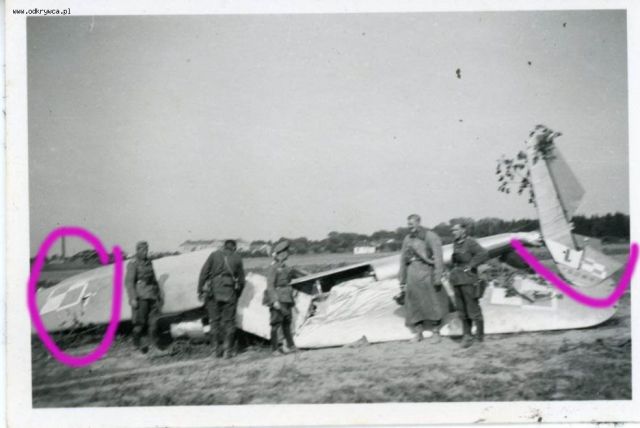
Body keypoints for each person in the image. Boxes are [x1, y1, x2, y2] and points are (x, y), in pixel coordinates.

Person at [399, 214, 448, 343]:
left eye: (411, 223)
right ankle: (418, 333)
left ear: (418, 222)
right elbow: (403, 259)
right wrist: (402, 280)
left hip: (427, 273)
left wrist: (438, 276)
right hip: (412, 275)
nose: (409, 226)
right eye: (408, 224)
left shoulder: (430, 236)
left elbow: (438, 258)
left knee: (433, 303)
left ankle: (436, 332)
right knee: (414, 304)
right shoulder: (407, 238)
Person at [197, 240, 245, 358]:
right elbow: (242, 280)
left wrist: (200, 290)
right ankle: (227, 351)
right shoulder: (237, 258)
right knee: (229, 322)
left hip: (213, 291)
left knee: (214, 321)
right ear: (234, 248)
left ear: (224, 247)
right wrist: (238, 294)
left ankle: (215, 351)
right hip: (230, 292)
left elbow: (203, 273)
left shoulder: (214, 255)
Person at [449, 222, 489, 348]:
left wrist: (471, 265)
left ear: (463, 231)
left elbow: (483, 253)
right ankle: (467, 335)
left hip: (468, 280)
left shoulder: (470, 242)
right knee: (462, 309)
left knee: (473, 308)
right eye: (452, 230)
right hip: (457, 279)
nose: (453, 232)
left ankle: (479, 336)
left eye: (456, 230)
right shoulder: (455, 243)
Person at [125, 241, 164, 354]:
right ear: (137, 251)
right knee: (140, 323)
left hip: (152, 295)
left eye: (146, 250)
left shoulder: (149, 262)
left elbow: (154, 280)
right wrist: (132, 298)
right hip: (141, 296)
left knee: (153, 323)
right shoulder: (133, 264)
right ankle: (137, 346)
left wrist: (158, 295)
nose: (145, 252)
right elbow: (129, 282)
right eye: (143, 250)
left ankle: (154, 346)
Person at [263, 240, 300, 355]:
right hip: (278, 298)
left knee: (287, 322)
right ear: (281, 254)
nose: (288, 254)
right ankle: (275, 348)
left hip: (287, 297)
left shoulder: (285, 267)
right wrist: (274, 301)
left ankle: (290, 345)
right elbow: (270, 286)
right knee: (276, 323)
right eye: (286, 252)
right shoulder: (273, 267)